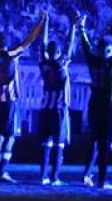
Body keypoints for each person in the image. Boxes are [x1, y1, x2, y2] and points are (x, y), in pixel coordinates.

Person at [0, 11, 46, 183]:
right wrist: (40, 22)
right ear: (6, 43)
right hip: (10, 102)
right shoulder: (10, 54)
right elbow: (29, 40)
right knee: (10, 136)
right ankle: (3, 171)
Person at [79, 12, 112, 189]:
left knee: (94, 141)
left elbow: (85, 46)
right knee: (105, 145)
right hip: (107, 107)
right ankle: (102, 180)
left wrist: (81, 28)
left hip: (94, 105)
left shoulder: (93, 60)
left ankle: (87, 175)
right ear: (109, 50)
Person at [37, 13, 77, 185]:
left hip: (45, 107)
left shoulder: (43, 63)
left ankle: (43, 176)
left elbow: (43, 44)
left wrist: (45, 22)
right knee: (59, 143)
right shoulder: (61, 64)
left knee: (46, 142)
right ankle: (55, 177)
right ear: (58, 52)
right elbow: (69, 44)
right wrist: (73, 26)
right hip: (59, 108)